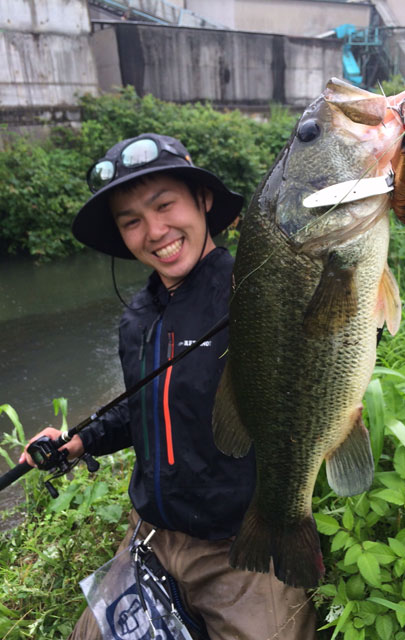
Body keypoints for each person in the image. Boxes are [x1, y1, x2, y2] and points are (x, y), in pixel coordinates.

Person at [20, 133, 317, 640]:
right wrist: (80, 440)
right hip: (150, 535)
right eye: (131, 221)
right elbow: (141, 409)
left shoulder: (253, 287)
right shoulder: (138, 316)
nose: (154, 232)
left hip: (239, 543)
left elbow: (335, 314)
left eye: (164, 205)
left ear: (203, 201)